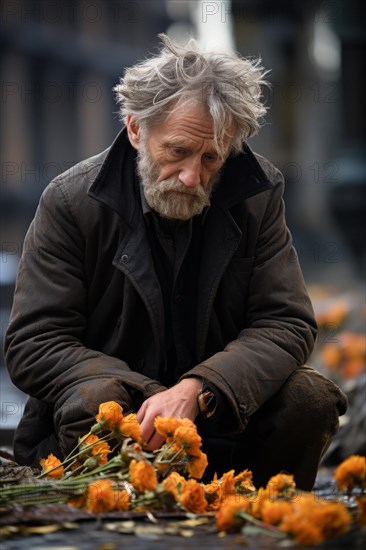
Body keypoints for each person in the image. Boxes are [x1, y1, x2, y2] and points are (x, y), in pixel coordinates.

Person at [5, 34, 347, 490]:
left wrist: (199, 390)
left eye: (212, 158)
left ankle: (265, 518)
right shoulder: (71, 202)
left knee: (312, 398)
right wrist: (152, 397)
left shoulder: (258, 193)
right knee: (97, 398)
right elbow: (35, 341)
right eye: (177, 151)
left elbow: (287, 322)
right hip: (117, 426)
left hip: (225, 425)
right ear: (134, 130)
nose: (192, 176)